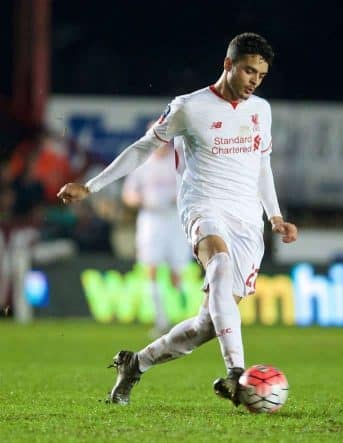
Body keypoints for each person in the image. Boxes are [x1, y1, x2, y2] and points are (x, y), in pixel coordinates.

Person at [57, 32, 298, 406]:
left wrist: (276, 215)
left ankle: (136, 363)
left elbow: (262, 164)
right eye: (249, 71)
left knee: (206, 325)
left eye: (261, 75)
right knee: (218, 263)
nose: (254, 80)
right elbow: (142, 148)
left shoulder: (261, 111)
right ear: (228, 64)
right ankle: (237, 373)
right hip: (203, 207)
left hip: (248, 221)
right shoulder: (189, 107)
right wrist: (91, 186)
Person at [121, 134, 191, 338]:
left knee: (177, 274)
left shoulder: (179, 160)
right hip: (151, 220)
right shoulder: (142, 163)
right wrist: (141, 199)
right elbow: (128, 195)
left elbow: (191, 186)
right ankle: (161, 320)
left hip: (175, 219)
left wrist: (176, 197)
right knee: (150, 268)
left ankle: (186, 319)